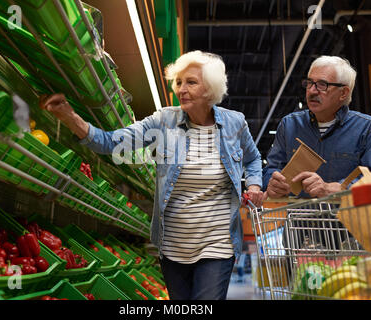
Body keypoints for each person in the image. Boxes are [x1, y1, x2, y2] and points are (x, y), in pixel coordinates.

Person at [39, 50, 264, 300]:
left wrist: (254, 185)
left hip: (218, 245)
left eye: (191, 82)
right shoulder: (164, 121)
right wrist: (71, 118)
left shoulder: (235, 123)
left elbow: (253, 158)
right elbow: (113, 142)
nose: (181, 89)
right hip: (173, 248)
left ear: (210, 88)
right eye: (178, 82)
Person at [263, 55, 371, 199]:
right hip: (297, 219)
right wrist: (271, 183)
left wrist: (337, 188)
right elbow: (271, 169)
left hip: (344, 219)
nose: (312, 91)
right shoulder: (289, 125)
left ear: (343, 93)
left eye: (322, 85)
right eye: (309, 83)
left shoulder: (366, 128)